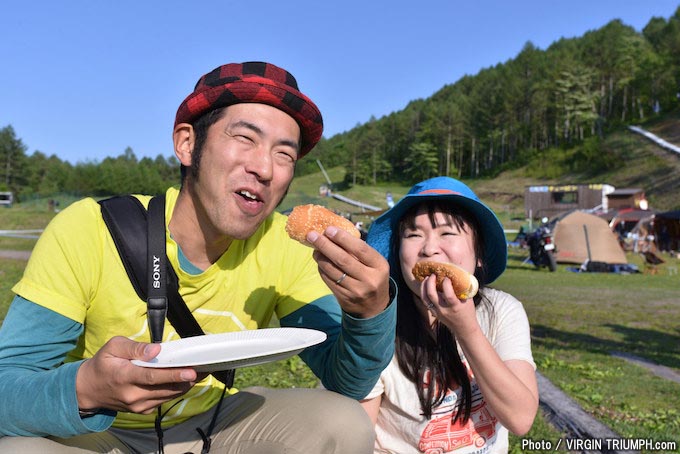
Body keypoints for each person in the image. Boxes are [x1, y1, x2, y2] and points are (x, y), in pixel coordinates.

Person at [0, 61, 396, 453]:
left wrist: (369, 313)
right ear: (187, 144)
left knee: (342, 423)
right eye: (245, 138)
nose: (263, 168)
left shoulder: (284, 243)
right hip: (97, 433)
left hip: (214, 423)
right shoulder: (92, 229)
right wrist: (86, 388)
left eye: (285, 155)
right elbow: (5, 386)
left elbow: (348, 384)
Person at [361, 176, 538, 453]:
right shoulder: (377, 324)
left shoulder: (502, 310)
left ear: (478, 255)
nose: (429, 248)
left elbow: (520, 419)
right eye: (413, 234)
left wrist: (466, 328)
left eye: (447, 233)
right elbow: (357, 435)